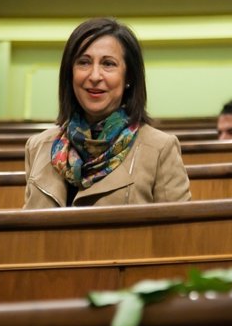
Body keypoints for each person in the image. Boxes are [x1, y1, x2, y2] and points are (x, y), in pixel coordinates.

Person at [24, 17, 191, 208]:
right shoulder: (38, 147)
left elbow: (177, 235)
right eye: (84, 62)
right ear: (70, 74)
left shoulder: (160, 149)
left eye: (108, 64)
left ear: (128, 77)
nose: (94, 76)